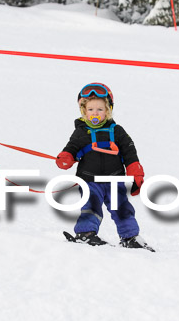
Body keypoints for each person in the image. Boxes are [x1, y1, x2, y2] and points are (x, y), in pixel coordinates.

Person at [56, 83, 153, 250]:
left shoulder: (117, 131)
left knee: (122, 209)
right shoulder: (81, 132)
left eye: (100, 109)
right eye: (91, 109)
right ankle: (85, 234)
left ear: (108, 110)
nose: (95, 113)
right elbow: (71, 148)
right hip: (89, 180)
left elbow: (129, 152)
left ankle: (130, 237)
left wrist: (135, 171)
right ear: (84, 111)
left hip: (114, 179)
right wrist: (66, 157)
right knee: (91, 207)